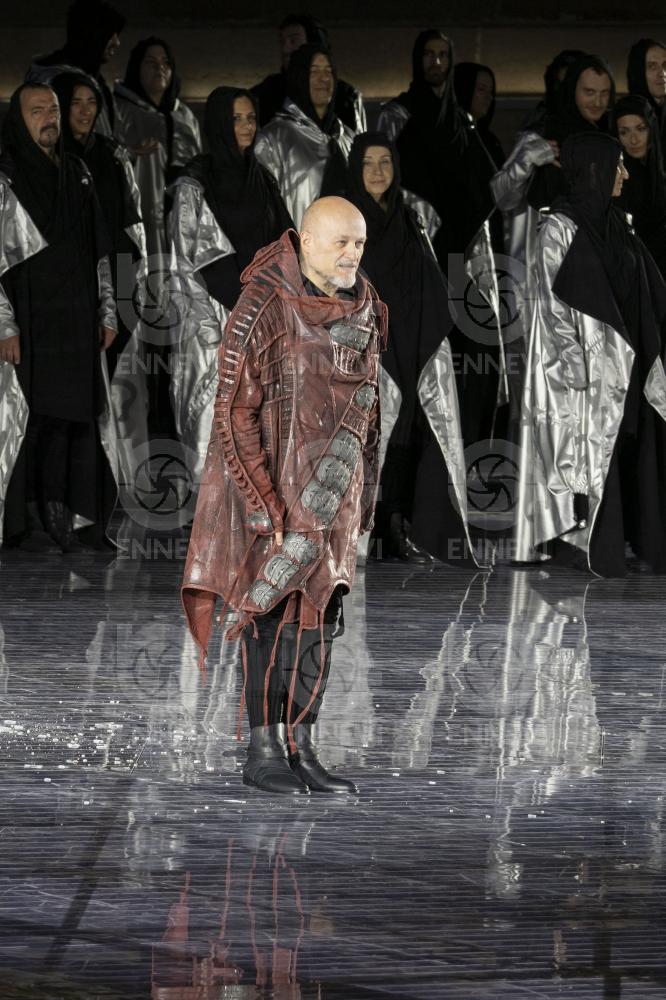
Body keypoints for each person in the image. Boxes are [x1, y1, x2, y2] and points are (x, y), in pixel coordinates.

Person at [182, 197, 386, 795]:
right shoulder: (264, 303)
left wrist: (364, 496)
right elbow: (233, 412)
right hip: (277, 497)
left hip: (335, 494)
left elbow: (371, 409)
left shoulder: (365, 305)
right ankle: (262, 748)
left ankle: (302, 743)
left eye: (359, 243)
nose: (352, 254)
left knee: (320, 618)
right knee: (270, 617)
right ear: (306, 240)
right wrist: (262, 503)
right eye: (341, 242)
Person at [515, 132, 666, 576]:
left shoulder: (618, 224)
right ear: (594, 169)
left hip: (624, 362)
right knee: (587, 452)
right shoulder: (558, 228)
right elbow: (550, 305)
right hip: (580, 371)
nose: (624, 174)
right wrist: (574, 366)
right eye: (616, 165)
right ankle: (583, 541)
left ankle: (630, 539)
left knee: (629, 445)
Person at [0, 83, 122, 554]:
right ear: (19, 119)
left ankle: (65, 510)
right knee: (33, 419)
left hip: (76, 315)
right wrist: (4, 324)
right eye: (37, 111)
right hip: (29, 318)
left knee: (75, 416)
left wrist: (107, 309)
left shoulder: (78, 173)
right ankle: (30, 514)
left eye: (53, 109)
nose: (49, 118)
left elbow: (98, 250)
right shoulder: (7, 179)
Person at [345, 133, 474, 565]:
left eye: (385, 162)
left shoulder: (409, 218)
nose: (378, 171)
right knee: (365, 436)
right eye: (368, 163)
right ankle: (358, 532)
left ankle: (396, 525)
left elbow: (429, 279)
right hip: (364, 346)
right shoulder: (344, 219)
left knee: (405, 434)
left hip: (410, 339)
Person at [379, 29, 507, 448]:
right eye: (429, 55)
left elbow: (487, 186)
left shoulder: (460, 121)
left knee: (478, 354)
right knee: (424, 360)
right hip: (418, 256)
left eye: (443, 56)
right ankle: (419, 466)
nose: (436, 63)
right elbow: (383, 179)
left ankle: (469, 455)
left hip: (460, 255)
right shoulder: (398, 115)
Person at [168, 87, 292, 480]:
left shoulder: (262, 178)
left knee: (260, 415)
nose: (246, 126)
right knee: (214, 412)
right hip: (213, 317)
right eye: (236, 119)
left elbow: (284, 242)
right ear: (220, 123)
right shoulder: (194, 183)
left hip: (262, 316)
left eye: (251, 118)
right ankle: (212, 507)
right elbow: (186, 259)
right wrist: (213, 325)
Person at [50, 71, 149, 488]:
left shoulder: (111, 155)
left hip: (118, 270)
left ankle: (119, 474)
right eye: (76, 102)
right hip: (71, 278)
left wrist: (134, 285)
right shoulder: (52, 156)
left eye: (92, 102)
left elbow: (131, 221)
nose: (85, 111)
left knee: (120, 372)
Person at [114, 37, 201, 432]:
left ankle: (173, 426)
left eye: (165, 62)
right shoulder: (121, 112)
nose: (159, 69)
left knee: (177, 341)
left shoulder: (184, 116)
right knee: (141, 340)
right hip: (140, 242)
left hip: (178, 245)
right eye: (150, 62)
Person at [254, 44, 355, 229]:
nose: (323, 78)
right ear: (299, 77)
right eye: (314, 71)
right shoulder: (273, 139)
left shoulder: (348, 138)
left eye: (329, 71)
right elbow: (262, 210)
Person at [527, 54, 615, 212]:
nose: (598, 102)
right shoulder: (555, 134)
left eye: (604, 93)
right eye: (589, 92)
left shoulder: (610, 130)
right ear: (572, 90)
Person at [252, 12, 366, 133]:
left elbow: (359, 140)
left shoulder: (345, 97)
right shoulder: (267, 93)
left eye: (293, 40)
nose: (285, 49)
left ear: (314, 44)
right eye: (282, 42)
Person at [27, 0, 124, 138]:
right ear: (92, 35)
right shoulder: (61, 82)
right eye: (109, 34)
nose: (116, 42)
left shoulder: (94, 81)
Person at [613, 95, 666, 277]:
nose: (634, 140)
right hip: (631, 275)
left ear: (652, 128)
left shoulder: (659, 172)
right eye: (624, 132)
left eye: (641, 129)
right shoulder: (614, 180)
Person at [626, 38, 666, 159]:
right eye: (652, 67)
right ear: (639, 72)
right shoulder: (625, 115)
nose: (662, 73)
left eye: (665, 65)